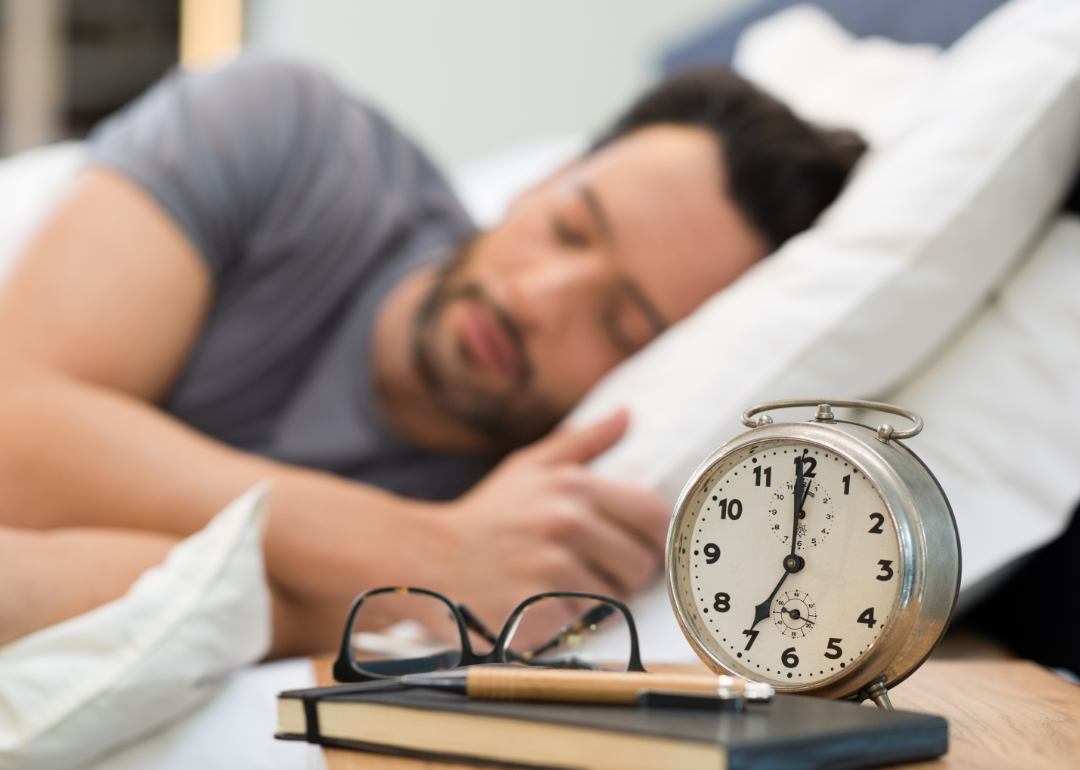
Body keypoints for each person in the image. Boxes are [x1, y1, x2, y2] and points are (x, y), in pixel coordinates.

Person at [0, 57, 864, 656]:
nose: (536, 299)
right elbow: (14, 422)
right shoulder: (288, 133)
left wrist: (351, 589)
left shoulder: (526, 523)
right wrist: (415, 553)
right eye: (567, 225)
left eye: (622, 325)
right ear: (544, 178)